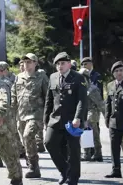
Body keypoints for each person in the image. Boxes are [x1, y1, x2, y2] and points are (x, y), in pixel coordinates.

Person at [44, 52, 87, 185]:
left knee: (73, 150)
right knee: (49, 143)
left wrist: (78, 118)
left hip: (72, 121)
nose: (60, 66)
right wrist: (46, 120)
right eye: (58, 64)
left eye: (63, 63)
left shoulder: (78, 78)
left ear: (69, 64)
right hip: (55, 119)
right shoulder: (52, 77)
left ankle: (73, 178)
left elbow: (82, 101)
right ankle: (64, 170)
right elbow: (49, 100)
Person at [11, 53, 48, 178]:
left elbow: (48, 97)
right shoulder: (19, 77)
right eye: (25, 62)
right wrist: (10, 112)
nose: (27, 64)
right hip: (21, 115)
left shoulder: (41, 77)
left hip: (36, 114)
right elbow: (14, 96)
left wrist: (48, 115)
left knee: (28, 136)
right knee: (25, 140)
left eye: (30, 62)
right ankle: (32, 165)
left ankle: (33, 166)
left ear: (35, 63)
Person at [78, 68, 104, 162]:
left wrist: (107, 117)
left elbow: (100, 104)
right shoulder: (81, 88)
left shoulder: (92, 89)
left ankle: (95, 153)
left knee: (91, 132)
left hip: (92, 113)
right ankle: (90, 154)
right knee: (89, 133)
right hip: (84, 112)